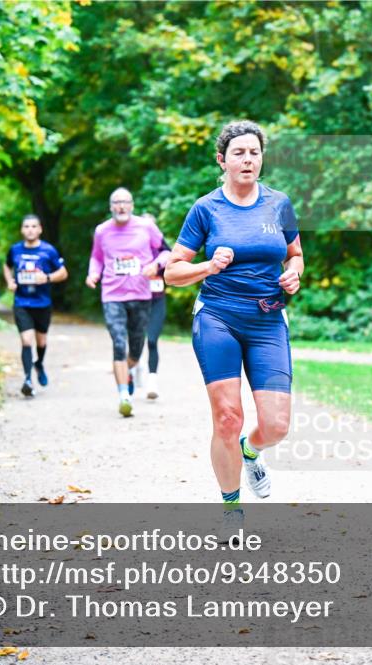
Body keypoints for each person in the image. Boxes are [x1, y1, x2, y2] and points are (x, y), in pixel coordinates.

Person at [165, 120, 303, 528]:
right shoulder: (206, 209)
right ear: (222, 160)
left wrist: (294, 273)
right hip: (218, 316)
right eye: (239, 153)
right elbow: (172, 272)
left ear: (262, 159)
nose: (248, 159)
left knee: (276, 426)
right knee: (228, 416)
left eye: (254, 153)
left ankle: (251, 452)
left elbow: (295, 253)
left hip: (267, 320)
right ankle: (231, 508)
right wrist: (209, 265)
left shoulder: (279, 204)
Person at [86, 188, 169, 417]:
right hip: (112, 295)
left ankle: (128, 371)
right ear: (111, 206)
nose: (121, 206)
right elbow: (96, 257)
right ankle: (124, 395)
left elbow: (166, 252)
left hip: (141, 295)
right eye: (116, 202)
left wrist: (156, 265)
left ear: (132, 205)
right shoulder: (102, 231)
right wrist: (93, 273)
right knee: (118, 342)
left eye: (125, 202)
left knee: (136, 347)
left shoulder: (146, 227)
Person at [3, 214, 68, 397]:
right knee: (26, 340)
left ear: (39, 229)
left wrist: (47, 278)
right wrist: (10, 282)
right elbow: (7, 266)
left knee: (41, 341)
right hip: (22, 302)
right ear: (22, 230)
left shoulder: (49, 251)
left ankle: (39, 363)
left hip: (43, 303)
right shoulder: (15, 250)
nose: (30, 229)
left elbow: (63, 273)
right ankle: (27, 380)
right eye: (26, 226)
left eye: (33, 226)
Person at [143, 222, 171, 401]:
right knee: (135, 340)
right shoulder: (130, 248)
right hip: (135, 301)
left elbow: (171, 257)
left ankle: (152, 380)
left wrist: (156, 265)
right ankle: (133, 368)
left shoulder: (163, 251)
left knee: (152, 340)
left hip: (157, 300)